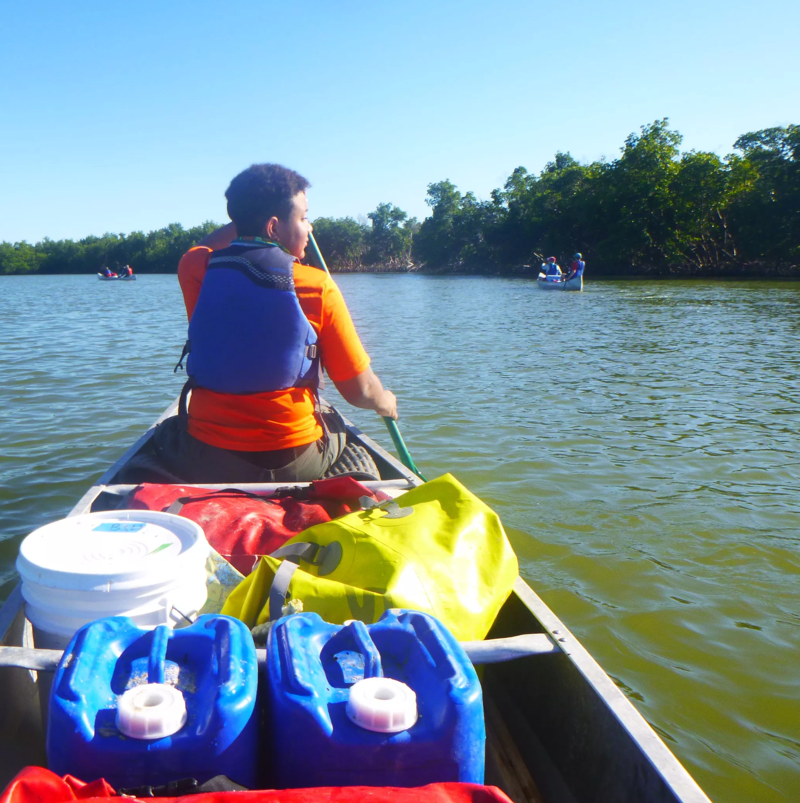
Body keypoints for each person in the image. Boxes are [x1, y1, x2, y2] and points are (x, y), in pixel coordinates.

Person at [154, 163, 397, 484]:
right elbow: (361, 391)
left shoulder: (194, 268)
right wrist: (386, 402)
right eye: (304, 217)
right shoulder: (316, 285)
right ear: (273, 228)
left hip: (208, 457)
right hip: (295, 460)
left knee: (168, 432)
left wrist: (246, 217)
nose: (310, 228)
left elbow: (203, 245)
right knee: (334, 421)